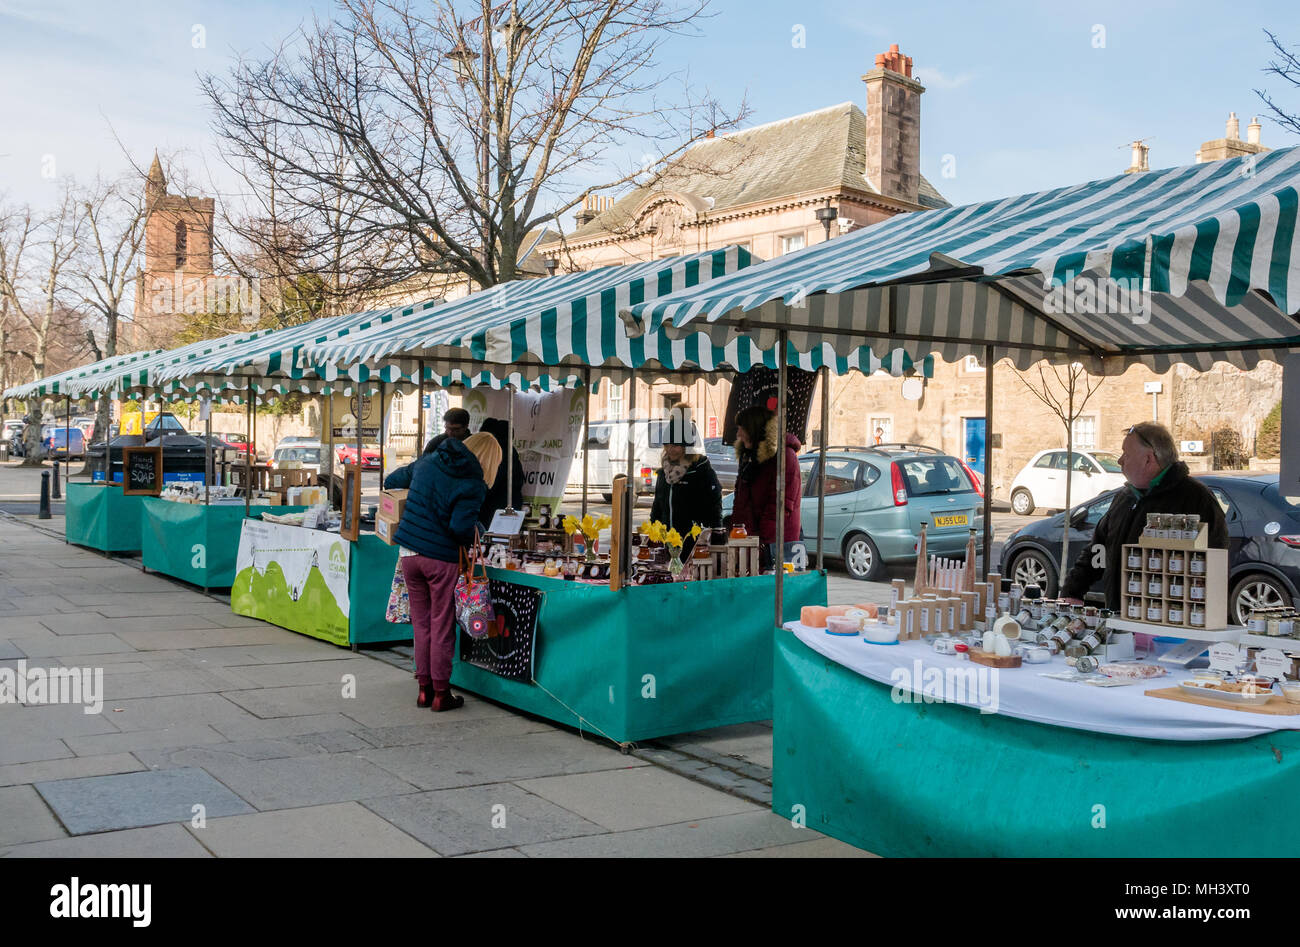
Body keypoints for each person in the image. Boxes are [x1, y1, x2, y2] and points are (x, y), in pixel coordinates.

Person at [384, 430, 501, 712]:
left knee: (422, 624)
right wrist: (478, 530)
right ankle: (440, 693)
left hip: (409, 553)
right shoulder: (473, 484)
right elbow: (459, 529)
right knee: (442, 626)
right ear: (489, 461)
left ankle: (423, 689)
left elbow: (391, 481)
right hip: (440, 560)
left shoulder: (428, 462)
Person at [1060, 421, 1227, 609]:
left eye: (1126, 454)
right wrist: (1072, 592)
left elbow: (1214, 563)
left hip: (1168, 622)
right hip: (1120, 616)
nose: (1120, 460)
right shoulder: (1125, 498)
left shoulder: (1195, 498)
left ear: (1148, 459)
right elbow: (1097, 550)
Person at [730, 404, 802, 569]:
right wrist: (737, 533)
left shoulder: (785, 457)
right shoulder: (747, 457)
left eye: (742, 428)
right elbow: (740, 499)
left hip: (775, 545)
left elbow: (779, 508)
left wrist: (761, 544)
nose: (738, 434)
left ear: (754, 429)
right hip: (750, 542)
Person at [649, 405, 722, 554]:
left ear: (686, 446)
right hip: (667, 545)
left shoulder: (701, 471)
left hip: (694, 545)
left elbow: (714, 510)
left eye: (675, 445)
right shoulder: (664, 473)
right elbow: (657, 507)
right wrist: (653, 532)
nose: (670, 449)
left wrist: (713, 540)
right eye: (667, 445)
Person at [478, 416, 525, 527]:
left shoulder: (502, 454)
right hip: (504, 504)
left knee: (496, 539)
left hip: (500, 507)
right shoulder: (508, 452)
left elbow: (492, 482)